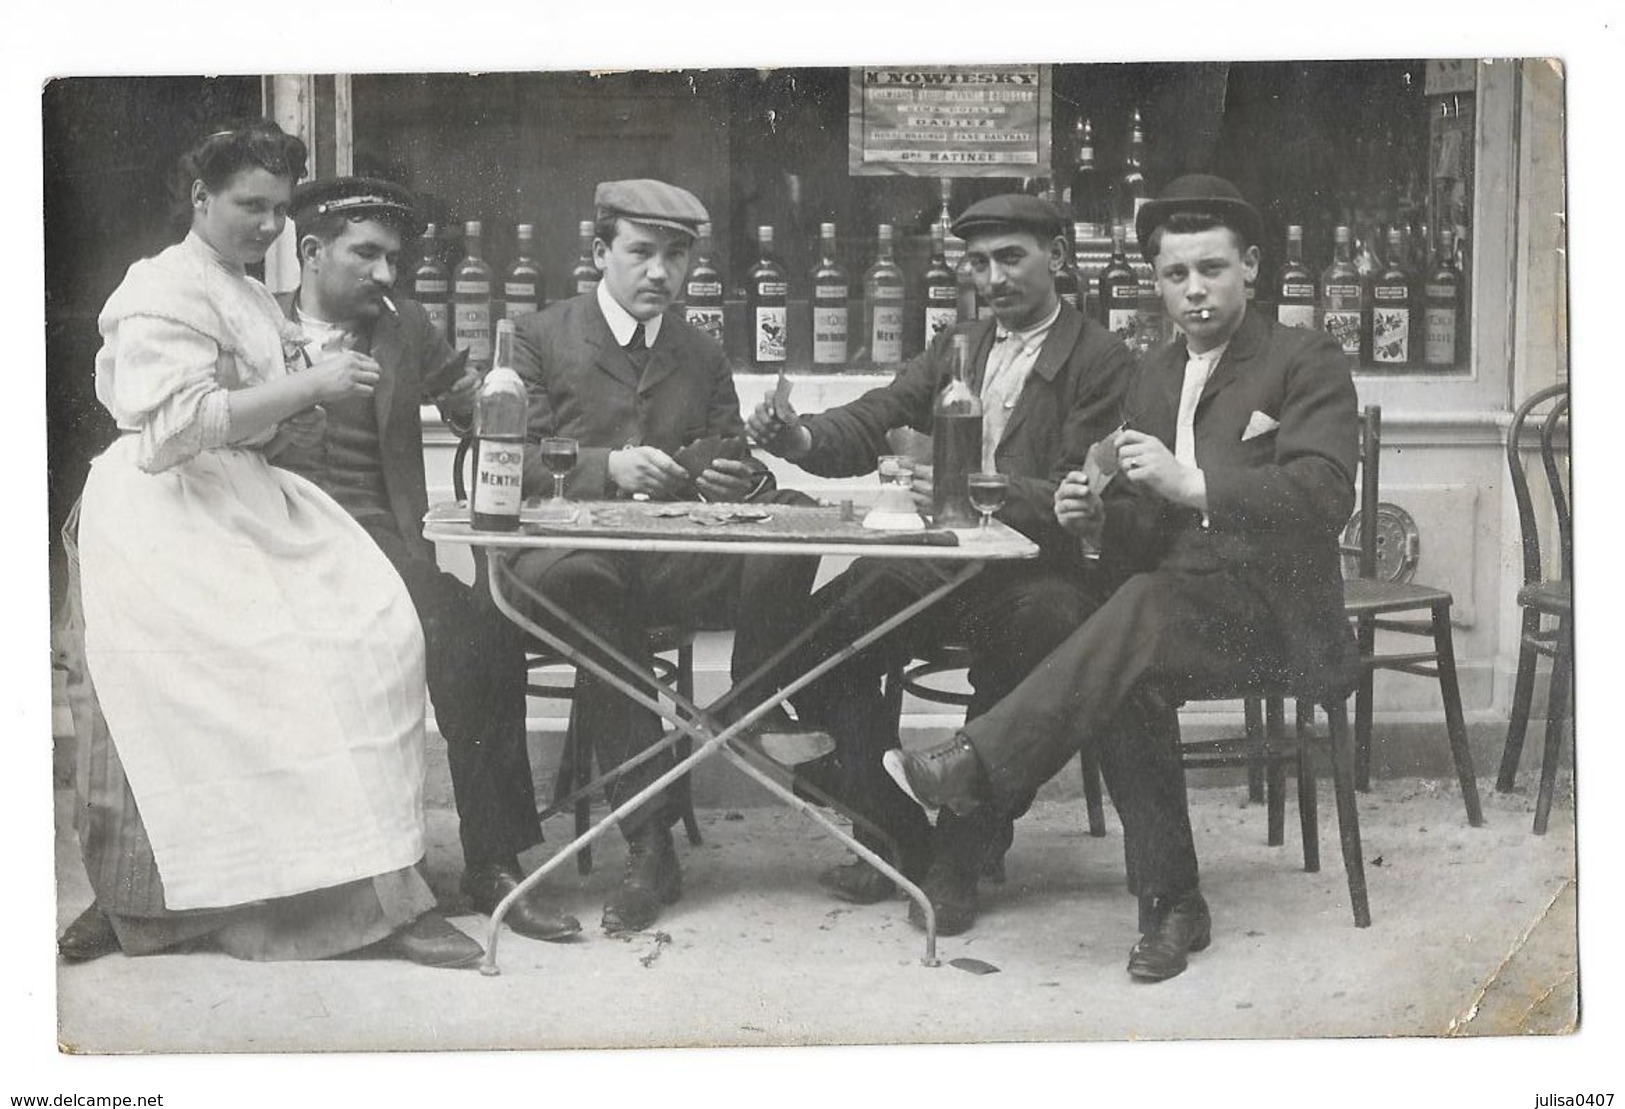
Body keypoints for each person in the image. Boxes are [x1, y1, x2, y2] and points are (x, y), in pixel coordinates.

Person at [885, 174, 1362, 980]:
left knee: (1127, 622)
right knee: (1121, 655)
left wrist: (1194, 484)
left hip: (1272, 614)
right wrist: (1095, 520)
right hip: (1173, 608)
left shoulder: (1302, 358)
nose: (1194, 291)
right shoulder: (1152, 374)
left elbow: (1324, 494)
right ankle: (1171, 904)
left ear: (1250, 266)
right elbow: (1143, 531)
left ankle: (974, 764)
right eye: (1175, 276)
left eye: (1211, 269)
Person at [58, 119, 483, 969]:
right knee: (155, 690)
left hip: (242, 496)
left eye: (280, 209)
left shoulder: (247, 290)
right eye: (249, 204)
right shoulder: (163, 286)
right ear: (200, 198)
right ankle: (139, 904)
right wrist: (310, 384)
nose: (267, 225)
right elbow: (174, 429)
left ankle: (371, 889)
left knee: (374, 640)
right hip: (162, 511)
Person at [745, 194, 1134, 935]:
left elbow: (1074, 490)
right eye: (979, 263)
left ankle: (960, 852)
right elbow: (876, 416)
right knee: (818, 641)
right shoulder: (959, 344)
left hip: (1036, 569)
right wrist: (798, 437)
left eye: (1011, 257)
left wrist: (971, 490)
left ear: (1056, 258)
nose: (993, 278)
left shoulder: (1100, 360)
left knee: (1037, 631)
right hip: (945, 563)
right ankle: (894, 830)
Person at [272, 176, 581, 944]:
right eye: (367, 255)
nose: (385, 275)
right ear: (310, 252)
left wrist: (504, 420)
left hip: (384, 548)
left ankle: (494, 862)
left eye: (393, 259)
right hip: (273, 549)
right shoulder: (252, 321)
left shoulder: (404, 325)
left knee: (484, 628)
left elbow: (475, 400)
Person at [509, 179, 819, 934]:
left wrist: (731, 475)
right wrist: (603, 468)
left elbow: (730, 455)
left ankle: (750, 690)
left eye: (675, 257)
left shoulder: (701, 351)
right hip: (568, 563)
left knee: (796, 521)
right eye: (641, 253)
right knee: (592, 590)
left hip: (673, 558)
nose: (659, 273)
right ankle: (649, 842)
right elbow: (505, 457)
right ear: (600, 254)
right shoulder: (540, 335)